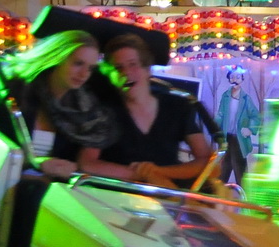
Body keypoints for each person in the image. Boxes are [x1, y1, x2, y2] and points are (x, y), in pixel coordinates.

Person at [0, 30, 124, 180]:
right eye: (78, 63)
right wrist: (32, 164)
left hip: (48, 194)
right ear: (57, 58)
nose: (84, 74)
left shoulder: (82, 109)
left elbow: (74, 167)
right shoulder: (14, 95)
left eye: (90, 68)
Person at [81, 34, 214, 185]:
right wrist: (141, 175)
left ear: (147, 70)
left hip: (169, 193)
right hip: (119, 195)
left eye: (132, 64)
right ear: (109, 76)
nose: (126, 72)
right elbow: (87, 163)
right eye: (118, 68)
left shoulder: (177, 106)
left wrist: (159, 172)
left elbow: (208, 163)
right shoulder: (103, 112)